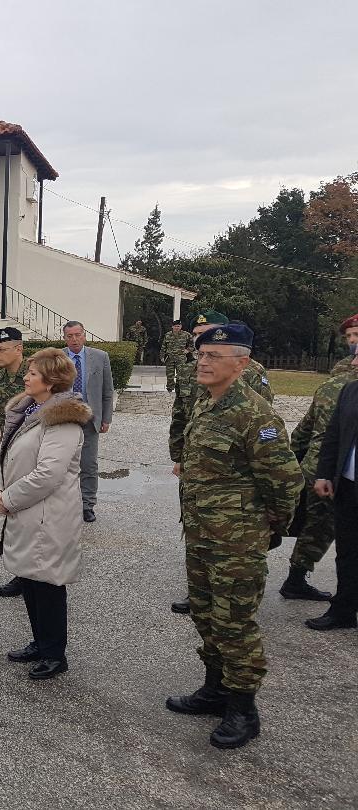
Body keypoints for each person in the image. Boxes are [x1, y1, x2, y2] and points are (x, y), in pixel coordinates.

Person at [166, 323, 303, 750]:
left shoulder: (255, 414)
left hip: (237, 542)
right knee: (205, 614)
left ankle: (244, 709)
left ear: (240, 364)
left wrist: (268, 529)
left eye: (213, 357)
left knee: (234, 621)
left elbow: (285, 482)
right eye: (201, 355)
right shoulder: (207, 405)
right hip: (202, 534)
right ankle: (215, 689)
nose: (202, 362)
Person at [0, 348, 91, 681]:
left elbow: (49, 473)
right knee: (30, 580)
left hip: (46, 514)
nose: (25, 377)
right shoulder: (28, 410)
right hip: (25, 510)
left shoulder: (63, 420)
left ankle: (54, 653)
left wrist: (10, 499)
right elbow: (4, 454)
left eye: (32, 373)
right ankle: (39, 641)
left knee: (47, 583)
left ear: (51, 380)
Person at [168, 310, 274, 614]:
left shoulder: (251, 372)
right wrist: (179, 455)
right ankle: (199, 590)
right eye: (199, 332)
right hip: (197, 459)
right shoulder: (191, 370)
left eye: (210, 330)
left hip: (230, 465)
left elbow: (260, 431)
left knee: (230, 537)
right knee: (194, 524)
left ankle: (234, 592)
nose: (203, 336)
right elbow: (180, 414)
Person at [283, 313, 358, 605]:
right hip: (329, 468)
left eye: (356, 336)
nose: (352, 342)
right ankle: (296, 580)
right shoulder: (339, 378)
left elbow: (304, 429)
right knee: (320, 527)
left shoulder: (336, 379)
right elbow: (312, 424)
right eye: (349, 337)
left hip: (323, 466)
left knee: (318, 526)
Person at [0, 327, 31, 598]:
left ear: (19, 349)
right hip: (12, 455)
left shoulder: (39, 376)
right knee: (14, 514)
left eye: (1, 349)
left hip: (38, 454)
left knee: (35, 517)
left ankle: (35, 572)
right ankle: (21, 572)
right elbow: (3, 426)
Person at [311, 378, 358, 630]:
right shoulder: (351, 389)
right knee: (348, 552)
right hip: (348, 486)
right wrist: (324, 474)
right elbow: (334, 435)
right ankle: (344, 610)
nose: (353, 361)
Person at [62, 321, 113, 522]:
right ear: (64, 338)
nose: (74, 339)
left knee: (89, 465)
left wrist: (106, 418)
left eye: (78, 335)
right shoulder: (57, 358)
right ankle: (65, 505)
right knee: (63, 464)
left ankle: (87, 505)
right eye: (70, 336)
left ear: (84, 335)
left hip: (90, 419)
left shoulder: (100, 357)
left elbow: (107, 391)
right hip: (64, 419)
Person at [161, 320, 194, 392]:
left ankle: (180, 389)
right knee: (170, 375)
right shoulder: (167, 335)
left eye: (178, 326)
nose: (177, 328)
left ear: (181, 327)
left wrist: (187, 350)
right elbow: (163, 346)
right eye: (175, 326)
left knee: (181, 374)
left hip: (181, 358)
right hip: (170, 358)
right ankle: (170, 388)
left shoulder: (186, 335)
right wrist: (162, 356)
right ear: (172, 326)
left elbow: (192, 345)